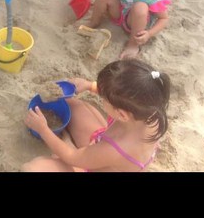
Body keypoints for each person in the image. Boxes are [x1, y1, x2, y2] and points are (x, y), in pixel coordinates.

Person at [23, 59, 170, 172]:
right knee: (72, 104)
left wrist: (43, 130)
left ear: (122, 114)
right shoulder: (150, 111)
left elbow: (72, 157)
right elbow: (125, 94)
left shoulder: (115, 150)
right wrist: (90, 86)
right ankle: (67, 141)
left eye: (103, 98)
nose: (101, 98)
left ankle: (67, 142)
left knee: (32, 168)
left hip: (94, 161)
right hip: (100, 147)